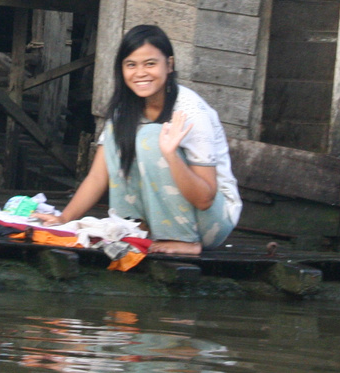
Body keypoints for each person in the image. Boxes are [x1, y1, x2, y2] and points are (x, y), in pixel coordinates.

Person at [58, 24, 240, 255]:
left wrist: (170, 155)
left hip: (211, 223)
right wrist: (62, 219)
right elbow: (97, 176)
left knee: (151, 136)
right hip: (157, 223)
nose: (140, 73)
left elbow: (205, 199)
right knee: (118, 136)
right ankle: (136, 228)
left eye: (150, 64)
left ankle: (184, 241)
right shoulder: (123, 111)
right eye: (131, 65)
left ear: (169, 65)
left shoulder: (190, 112)